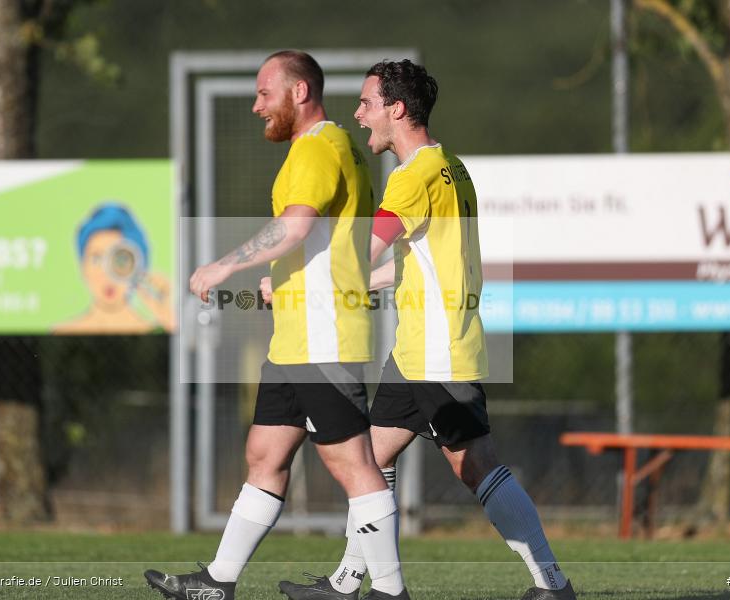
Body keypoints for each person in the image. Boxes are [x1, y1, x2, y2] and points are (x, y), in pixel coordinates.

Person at [278, 60, 577, 600]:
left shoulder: (412, 178)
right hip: (420, 350)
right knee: (370, 459)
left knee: (474, 466)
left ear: (397, 108)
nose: (358, 113)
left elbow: (360, 252)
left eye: (367, 103)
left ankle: (551, 583)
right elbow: (419, 259)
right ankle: (348, 582)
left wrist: (294, 282)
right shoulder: (451, 167)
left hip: (436, 352)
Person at [144, 50, 410, 600]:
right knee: (265, 455)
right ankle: (218, 582)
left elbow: (295, 226)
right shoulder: (334, 147)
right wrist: (277, 280)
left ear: (299, 93)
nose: (255, 105)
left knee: (354, 466)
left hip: (322, 335)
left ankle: (389, 591)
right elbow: (327, 243)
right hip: (296, 337)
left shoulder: (317, 147)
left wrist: (226, 264)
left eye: (265, 94)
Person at [53, 202, 172, 334]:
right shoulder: (63, 332)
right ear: (83, 267)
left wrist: (167, 317)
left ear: (137, 265)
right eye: (96, 259)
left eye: (119, 259)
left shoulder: (158, 331)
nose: (106, 272)